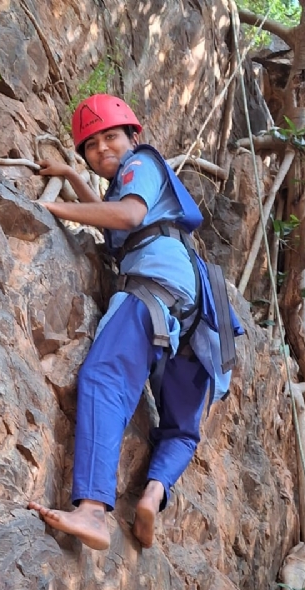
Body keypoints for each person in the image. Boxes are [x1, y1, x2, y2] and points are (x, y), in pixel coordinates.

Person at [28, 94, 241, 551]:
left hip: (155, 284)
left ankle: (92, 511)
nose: (102, 148)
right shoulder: (132, 180)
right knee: (181, 428)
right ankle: (153, 493)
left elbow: (128, 216)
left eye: (110, 137)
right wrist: (72, 178)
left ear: (132, 136)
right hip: (196, 308)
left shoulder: (140, 163)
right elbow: (116, 223)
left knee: (105, 376)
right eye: (91, 145)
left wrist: (55, 209)